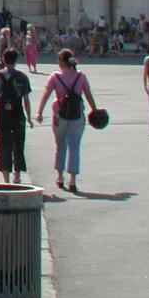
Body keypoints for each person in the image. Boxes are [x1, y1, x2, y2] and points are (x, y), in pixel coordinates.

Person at [36, 49, 98, 193]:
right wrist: (94, 110)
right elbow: (88, 95)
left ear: (62, 62)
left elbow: (46, 94)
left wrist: (39, 112)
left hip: (59, 114)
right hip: (77, 114)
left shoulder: (55, 76)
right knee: (75, 147)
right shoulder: (81, 76)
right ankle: (73, 180)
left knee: (60, 145)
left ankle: (60, 176)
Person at [0, 48, 33, 184]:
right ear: (16, 61)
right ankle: (17, 176)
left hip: (2, 115)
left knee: (3, 144)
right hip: (18, 114)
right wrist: (29, 118)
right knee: (18, 144)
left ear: (3, 60)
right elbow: (26, 100)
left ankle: (5, 178)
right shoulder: (22, 77)